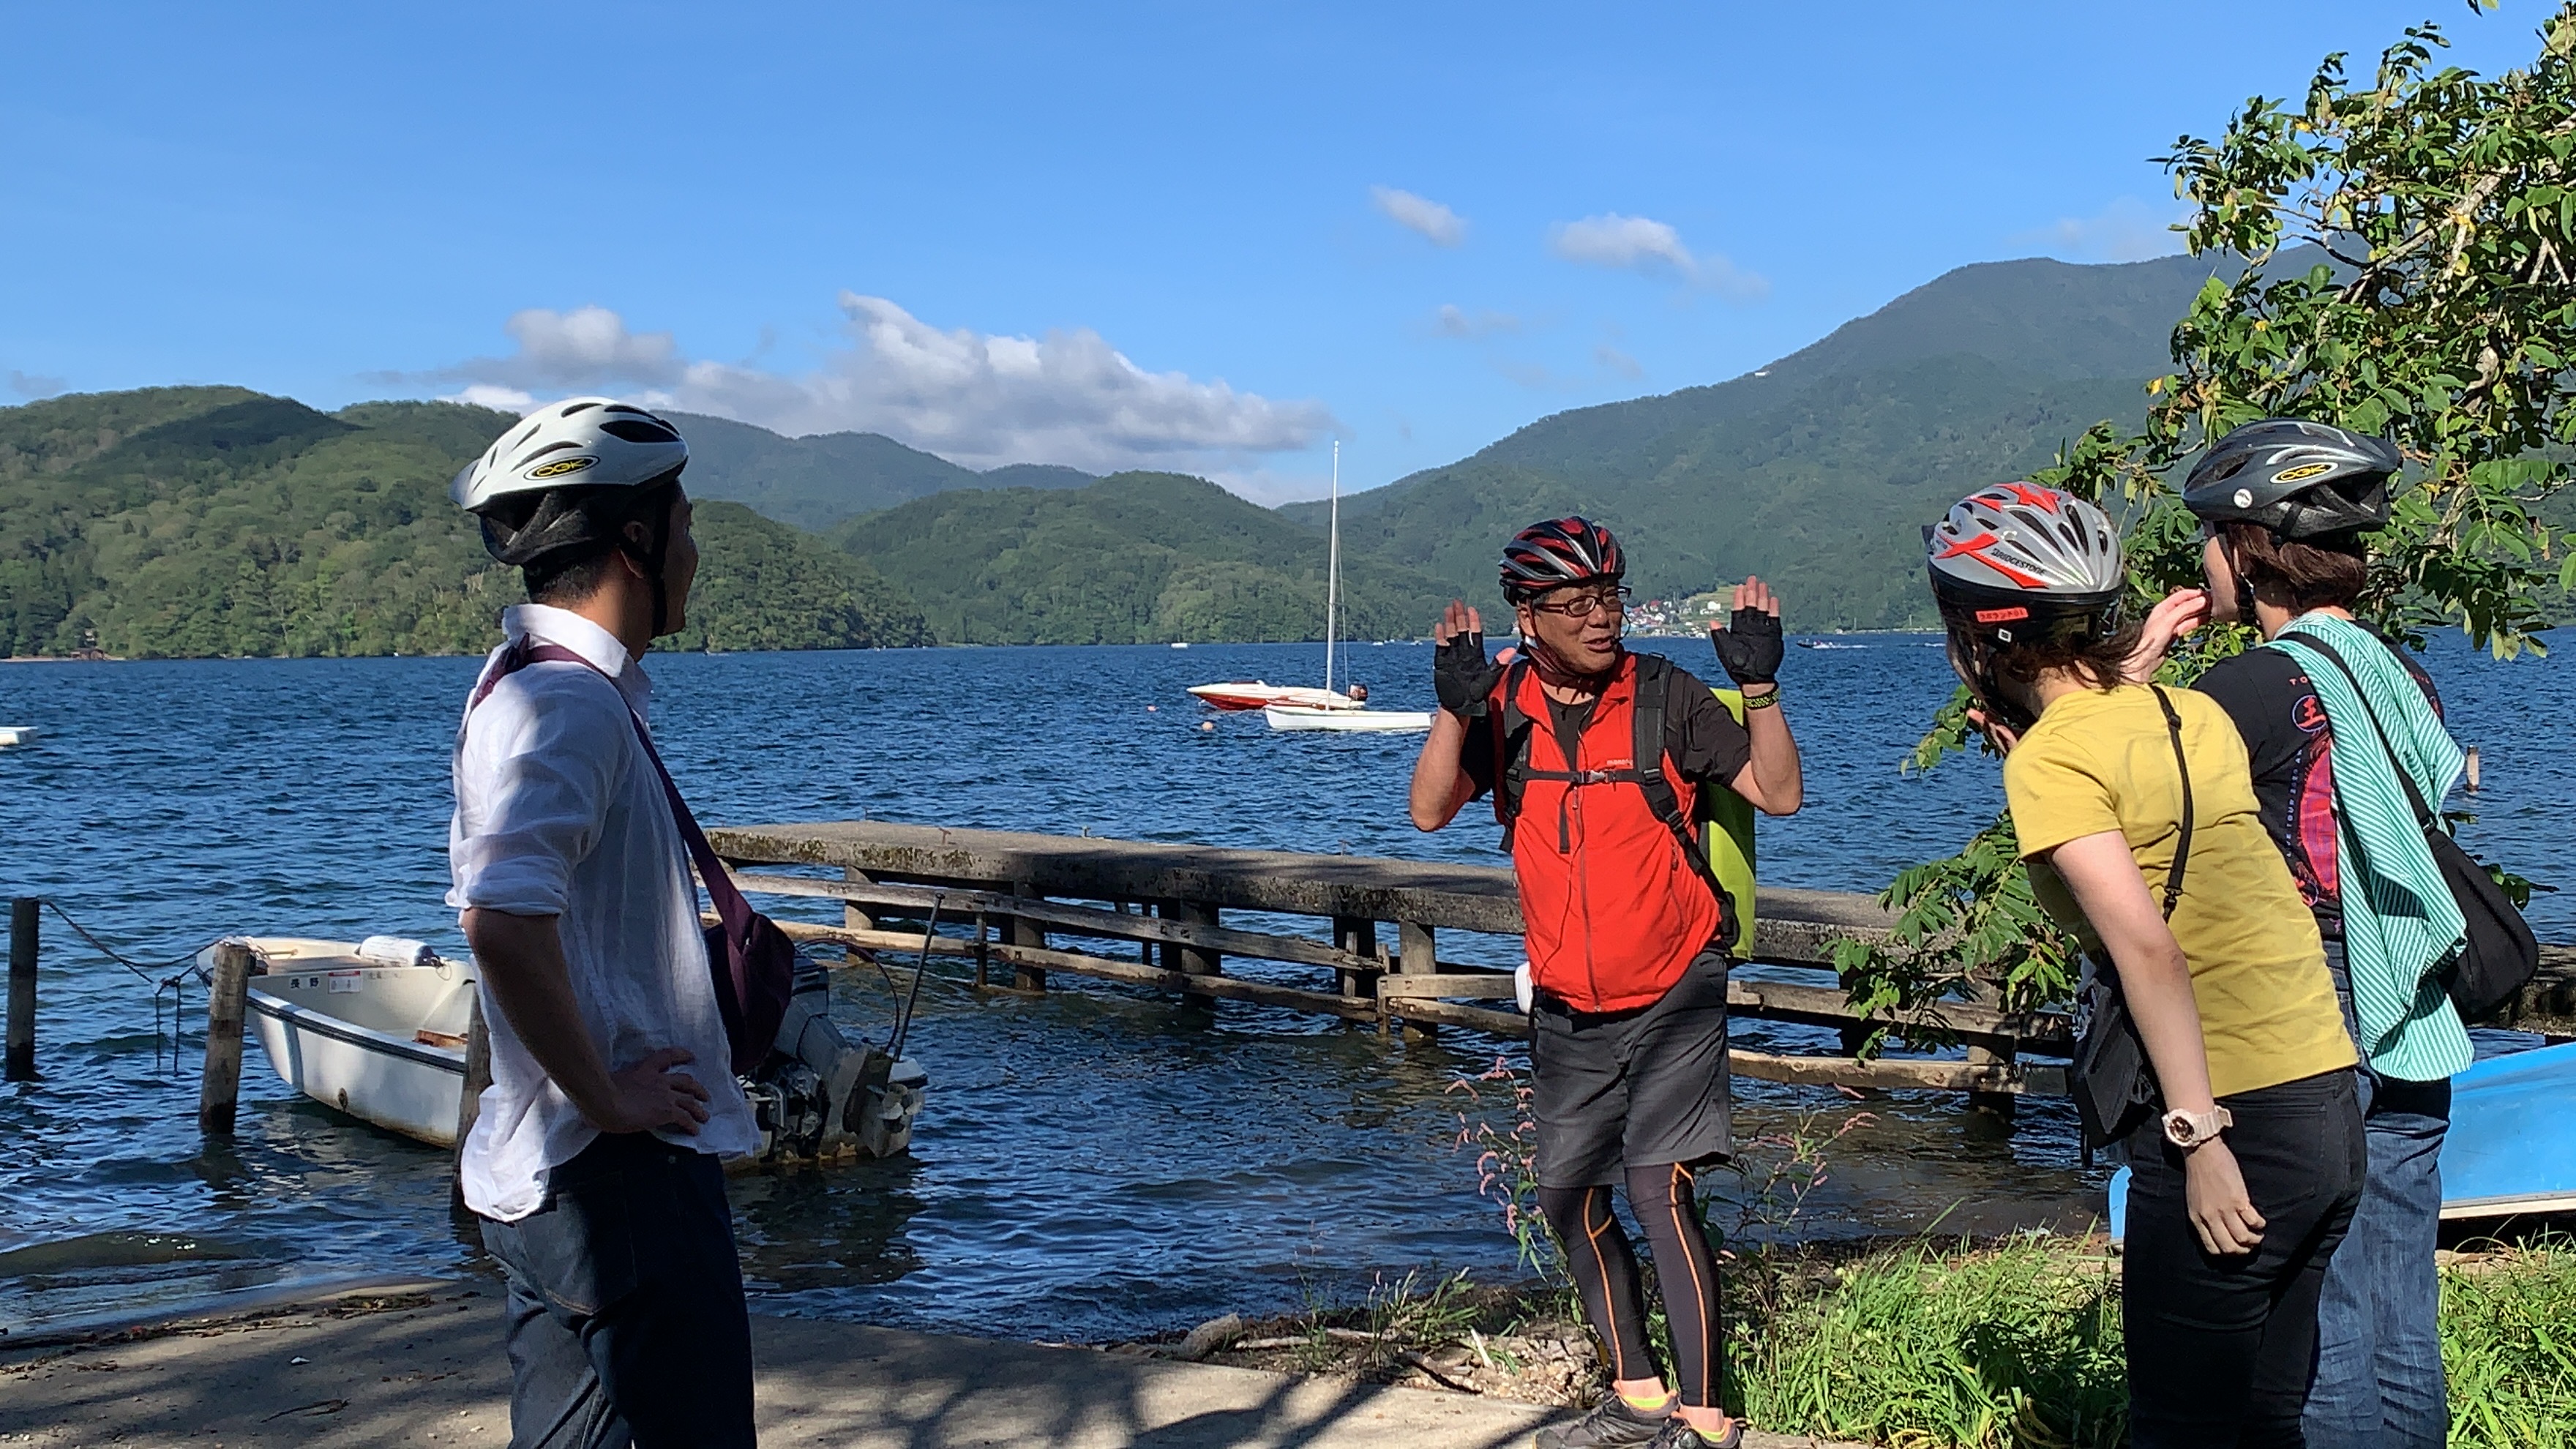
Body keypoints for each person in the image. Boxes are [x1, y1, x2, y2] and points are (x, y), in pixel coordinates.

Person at [1926, 482, 2362, 1448]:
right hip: (2326, 1099)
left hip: (2228, 1117)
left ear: (1982, 637)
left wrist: (2201, 1143)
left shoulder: (2048, 763)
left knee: (2178, 1428)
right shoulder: (2186, 715)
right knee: (2266, 1419)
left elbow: (2147, 949)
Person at [1408, 517, 1804, 1449]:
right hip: (1566, 1000)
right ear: (1526, 615)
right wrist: (1454, 708)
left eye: (1610, 598)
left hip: (1675, 985)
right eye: (1574, 604)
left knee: (1656, 1185)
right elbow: (1428, 813)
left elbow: (1779, 794)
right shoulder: (1502, 708)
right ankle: (1636, 1397)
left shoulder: (1667, 696)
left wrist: (1759, 686)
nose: (1600, 618)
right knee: (1566, 1196)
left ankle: (1705, 1423)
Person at [2139, 419, 2468, 1449]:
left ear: (2247, 548)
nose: (2201, 558)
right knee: (2399, 1311)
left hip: (2310, 1008)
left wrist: (2141, 667)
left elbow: (2137, 816)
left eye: (2208, 536)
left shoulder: (2242, 690)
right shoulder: (2397, 675)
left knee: (2315, 1309)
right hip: (2409, 992)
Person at [447, 397, 761, 1448]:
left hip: (571, 1175)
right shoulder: (569, 707)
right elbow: (502, 920)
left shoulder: (539, 686)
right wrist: (610, 1097)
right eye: (685, 526)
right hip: (618, 1177)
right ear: (635, 539)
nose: (696, 552)